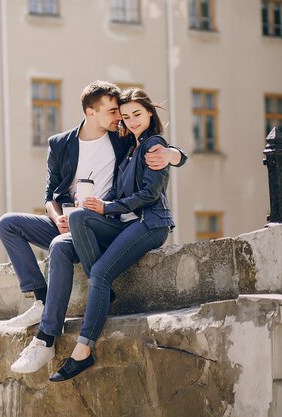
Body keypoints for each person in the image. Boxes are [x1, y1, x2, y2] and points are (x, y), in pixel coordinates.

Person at [0, 81, 186, 374]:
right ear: (90, 112)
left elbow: (157, 144)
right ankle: (41, 299)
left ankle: (48, 337)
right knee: (7, 223)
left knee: (67, 247)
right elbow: (49, 195)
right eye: (113, 112)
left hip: (102, 223)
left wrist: (175, 155)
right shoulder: (61, 144)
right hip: (68, 220)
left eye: (122, 113)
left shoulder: (122, 138)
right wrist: (56, 214)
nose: (120, 119)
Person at [47, 87, 175, 382]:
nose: (131, 121)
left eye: (137, 114)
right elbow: (117, 191)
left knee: (102, 272)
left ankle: (83, 350)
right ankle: (101, 289)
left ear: (150, 113)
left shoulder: (154, 145)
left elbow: (149, 194)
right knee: (79, 216)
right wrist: (95, 205)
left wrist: (108, 207)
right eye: (126, 116)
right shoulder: (130, 147)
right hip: (127, 223)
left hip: (150, 224)